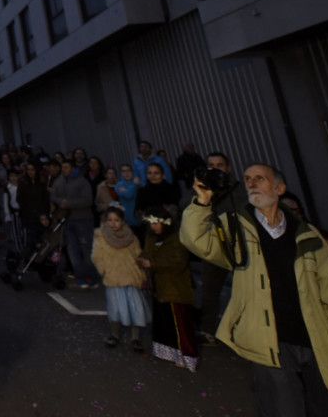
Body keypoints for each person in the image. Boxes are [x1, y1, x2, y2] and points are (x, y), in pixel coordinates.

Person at [182, 163, 328, 416]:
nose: (251, 183)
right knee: (282, 409)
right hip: (267, 342)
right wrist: (202, 201)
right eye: (247, 179)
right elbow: (195, 239)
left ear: (279, 188)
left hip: (316, 339)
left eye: (259, 178)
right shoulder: (235, 227)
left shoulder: (309, 235)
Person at [138, 206, 198, 372]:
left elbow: (179, 262)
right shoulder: (150, 237)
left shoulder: (177, 238)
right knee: (164, 324)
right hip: (160, 288)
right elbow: (146, 254)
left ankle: (187, 357)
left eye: (157, 223)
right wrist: (142, 261)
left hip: (176, 288)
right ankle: (168, 353)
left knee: (180, 325)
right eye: (152, 223)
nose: (154, 226)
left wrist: (153, 264)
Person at [92, 206, 148, 352]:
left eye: (116, 220)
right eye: (109, 220)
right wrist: (103, 270)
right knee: (115, 308)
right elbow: (97, 256)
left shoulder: (131, 236)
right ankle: (114, 334)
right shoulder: (101, 236)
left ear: (122, 221)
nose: (113, 223)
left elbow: (138, 254)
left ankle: (135, 338)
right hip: (114, 278)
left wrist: (141, 273)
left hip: (131, 276)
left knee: (135, 308)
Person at [197, 152, 233, 344]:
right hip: (213, 248)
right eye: (211, 164)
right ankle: (208, 329)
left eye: (220, 164)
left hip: (237, 248)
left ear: (228, 168)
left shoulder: (237, 189)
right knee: (210, 291)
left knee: (244, 292)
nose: (215, 168)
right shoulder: (201, 189)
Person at [51, 160, 99, 289]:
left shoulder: (82, 181)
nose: (63, 169)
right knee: (73, 251)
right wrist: (60, 201)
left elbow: (88, 200)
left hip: (83, 220)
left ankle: (93, 277)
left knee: (86, 249)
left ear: (72, 168)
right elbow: (53, 196)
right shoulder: (59, 181)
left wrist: (70, 203)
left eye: (66, 167)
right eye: (62, 167)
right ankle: (80, 278)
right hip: (67, 221)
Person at [113, 164, 141, 229]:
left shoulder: (138, 183)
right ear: (121, 173)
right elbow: (129, 195)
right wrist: (134, 185)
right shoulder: (118, 185)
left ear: (132, 172)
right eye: (124, 171)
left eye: (128, 170)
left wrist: (128, 189)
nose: (126, 173)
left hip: (139, 220)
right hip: (127, 222)